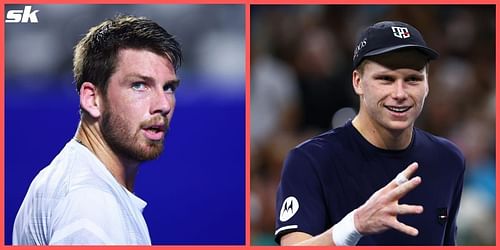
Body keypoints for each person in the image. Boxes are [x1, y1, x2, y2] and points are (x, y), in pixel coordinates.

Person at [275, 21, 465, 246]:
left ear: (427, 85)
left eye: (413, 79)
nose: (399, 93)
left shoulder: (448, 160)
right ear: (358, 82)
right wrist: (354, 225)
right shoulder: (310, 160)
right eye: (386, 79)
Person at [13, 15, 182, 245]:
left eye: (168, 87)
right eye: (139, 85)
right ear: (92, 99)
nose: (162, 104)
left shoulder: (78, 182)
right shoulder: (90, 203)